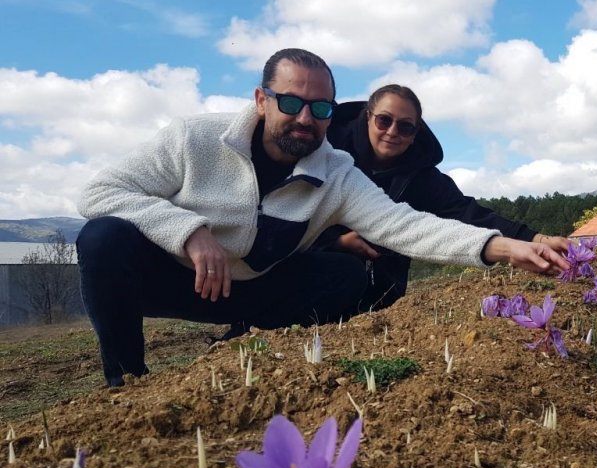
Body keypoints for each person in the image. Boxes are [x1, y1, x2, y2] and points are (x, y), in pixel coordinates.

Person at [76, 48, 568, 387]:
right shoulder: (194, 138)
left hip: (254, 290)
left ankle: (248, 348)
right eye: (291, 103)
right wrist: (190, 232)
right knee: (102, 238)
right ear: (262, 100)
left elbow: (407, 225)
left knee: (343, 275)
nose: (305, 119)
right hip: (178, 278)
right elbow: (99, 191)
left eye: (320, 107)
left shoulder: (337, 172)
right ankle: (126, 378)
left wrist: (506, 247)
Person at [314, 84, 570, 312]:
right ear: (368, 117)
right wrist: (335, 241)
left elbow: (467, 213)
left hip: (386, 283)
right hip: (320, 272)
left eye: (405, 127)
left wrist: (536, 239)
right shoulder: (327, 156)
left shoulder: (423, 177)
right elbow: (299, 213)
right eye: (384, 120)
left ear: (415, 134)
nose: (392, 131)